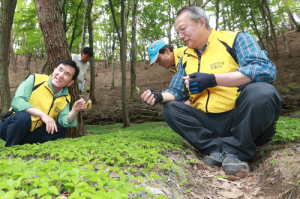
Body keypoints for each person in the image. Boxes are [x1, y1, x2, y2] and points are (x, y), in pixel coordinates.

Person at [141, 5, 282, 175]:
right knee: (170, 109)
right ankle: (218, 148)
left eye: (183, 29)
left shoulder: (236, 39)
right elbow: (176, 91)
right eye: (177, 32)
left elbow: (264, 70)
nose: (180, 36)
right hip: (209, 121)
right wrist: (158, 96)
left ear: (201, 22)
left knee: (262, 91)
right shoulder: (186, 56)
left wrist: (212, 79)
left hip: (239, 117)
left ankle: (237, 151)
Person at [0, 59, 87, 147]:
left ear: (71, 82)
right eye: (60, 70)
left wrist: (74, 110)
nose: (60, 75)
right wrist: (42, 114)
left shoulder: (65, 97)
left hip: (32, 132)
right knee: (24, 117)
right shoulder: (35, 79)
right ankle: (11, 148)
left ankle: (24, 144)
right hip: (11, 126)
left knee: (60, 129)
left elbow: (64, 121)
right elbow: (17, 101)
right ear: (54, 70)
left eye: (67, 74)